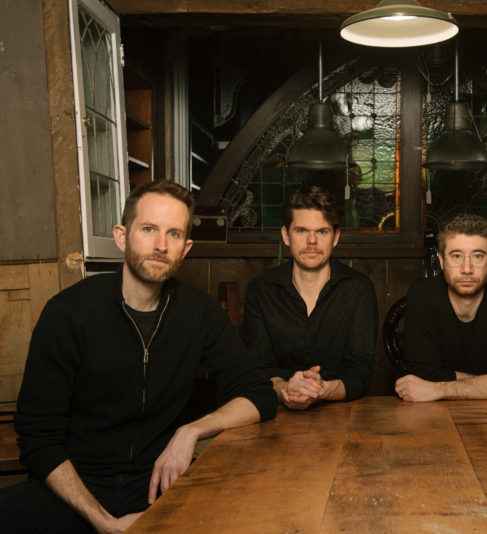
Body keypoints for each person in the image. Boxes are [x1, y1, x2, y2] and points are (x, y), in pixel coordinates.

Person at [0, 181, 278, 533]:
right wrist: (105, 523)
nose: (161, 245)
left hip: (155, 484)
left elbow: (260, 394)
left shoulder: (199, 312)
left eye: (174, 234)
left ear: (186, 247)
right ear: (122, 236)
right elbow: (38, 438)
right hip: (74, 486)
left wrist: (190, 432)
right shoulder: (68, 313)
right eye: (149, 229)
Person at [243, 186, 378, 410]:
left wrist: (321, 389)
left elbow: (360, 373)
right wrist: (287, 389)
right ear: (286, 235)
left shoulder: (359, 289)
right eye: (302, 231)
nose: (312, 241)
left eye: (322, 232)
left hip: (342, 415)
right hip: (276, 413)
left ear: (335, 237)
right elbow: (257, 369)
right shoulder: (261, 290)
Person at [395, 213, 487, 402]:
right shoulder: (423, 294)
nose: (467, 269)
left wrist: (439, 389)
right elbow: (424, 376)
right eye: (456, 256)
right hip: (432, 418)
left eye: (477, 256)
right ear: (442, 260)